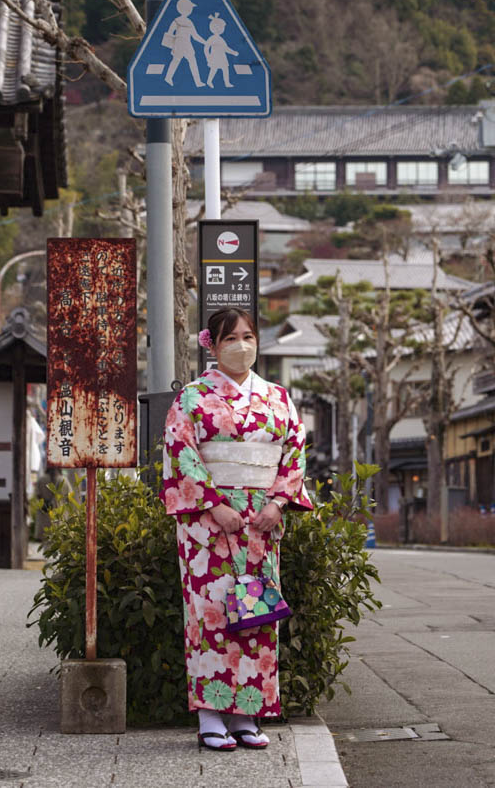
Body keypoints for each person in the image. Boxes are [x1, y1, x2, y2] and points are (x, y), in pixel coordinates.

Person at [160, 308, 312, 753]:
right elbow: (180, 452)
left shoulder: (278, 397)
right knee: (209, 614)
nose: (242, 345)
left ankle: (248, 712)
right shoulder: (191, 397)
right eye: (231, 338)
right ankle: (210, 713)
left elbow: (294, 453)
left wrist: (279, 502)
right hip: (208, 526)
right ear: (212, 344)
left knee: (256, 614)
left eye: (249, 336)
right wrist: (214, 503)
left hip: (262, 523)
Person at [163, 0, 207, 88]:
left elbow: (195, 36)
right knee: (178, 60)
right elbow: (170, 32)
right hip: (180, 43)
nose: (190, 10)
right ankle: (168, 78)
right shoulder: (177, 21)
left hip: (186, 43)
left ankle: (198, 82)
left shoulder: (188, 22)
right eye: (189, 8)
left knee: (189, 61)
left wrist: (205, 42)